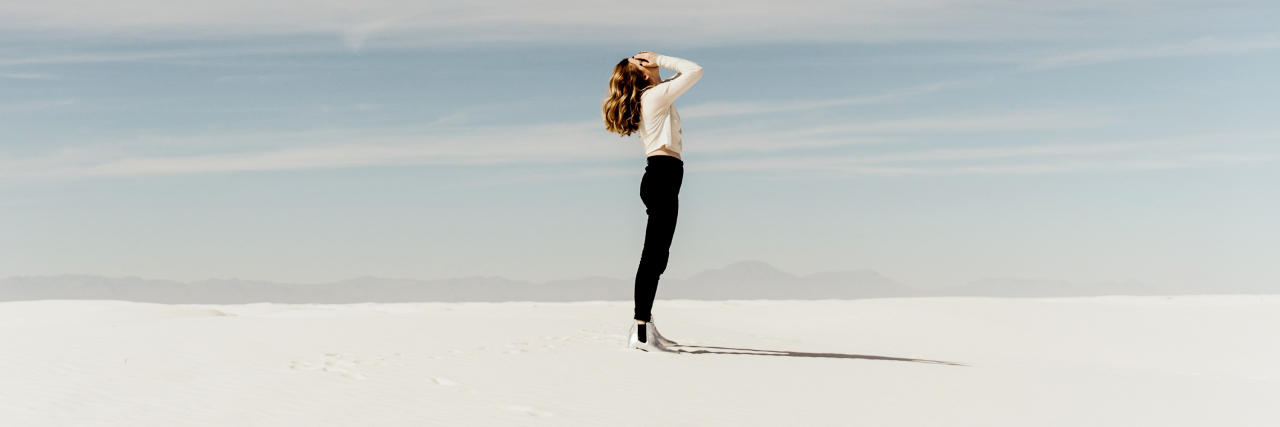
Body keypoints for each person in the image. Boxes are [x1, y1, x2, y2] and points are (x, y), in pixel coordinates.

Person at [602, 51, 703, 352]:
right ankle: (641, 333)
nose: (649, 60)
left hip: (663, 177)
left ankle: (645, 326)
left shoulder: (656, 95)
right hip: (662, 177)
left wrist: (657, 66)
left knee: (658, 258)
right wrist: (661, 57)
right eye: (643, 62)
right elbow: (694, 70)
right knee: (652, 257)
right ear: (644, 74)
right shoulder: (654, 96)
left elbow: (680, 77)